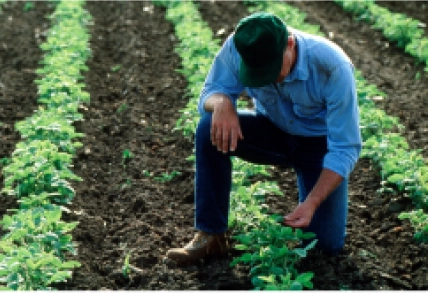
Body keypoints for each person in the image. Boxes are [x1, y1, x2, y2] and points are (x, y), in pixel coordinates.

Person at [166, 12, 362, 265]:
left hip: (318, 147)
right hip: (272, 133)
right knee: (208, 129)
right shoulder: (242, 45)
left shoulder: (332, 66)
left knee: (324, 247)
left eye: (272, 69)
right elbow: (211, 91)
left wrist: (312, 202)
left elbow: (345, 147)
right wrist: (222, 102)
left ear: (289, 44)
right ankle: (211, 235)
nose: (266, 78)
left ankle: (316, 219)